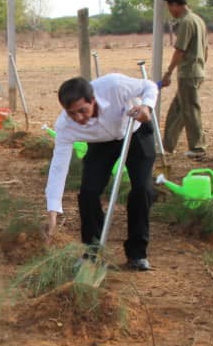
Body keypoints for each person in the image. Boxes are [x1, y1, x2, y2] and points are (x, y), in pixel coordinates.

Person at [44, 74, 159, 270]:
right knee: (88, 192)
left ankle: (137, 254)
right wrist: (52, 210)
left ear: (93, 100)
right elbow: (58, 166)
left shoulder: (114, 86)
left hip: (134, 131)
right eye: (72, 113)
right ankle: (93, 252)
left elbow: (149, 85)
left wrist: (146, 107)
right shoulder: (65, 126)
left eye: (83, 110)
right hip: (101, 144)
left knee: (142, 189)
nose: (78, 118)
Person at [159, 0, 208, 158]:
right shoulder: (198, 20)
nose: (170, 11)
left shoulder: (187, 22)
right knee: (177, 109)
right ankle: (167, 145)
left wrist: (168, 72)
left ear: (175, 5)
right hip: (196, 71)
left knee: (190, 110)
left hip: (188, 72)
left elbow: (180, 50)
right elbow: (206, 49)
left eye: (169, 7)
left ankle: (198, 148)